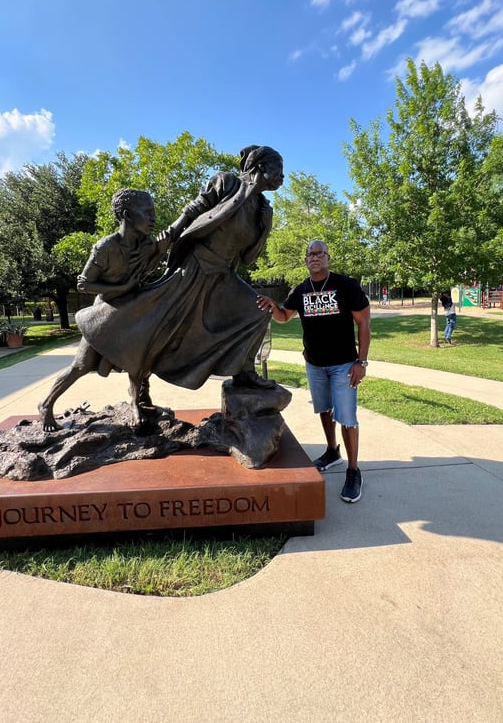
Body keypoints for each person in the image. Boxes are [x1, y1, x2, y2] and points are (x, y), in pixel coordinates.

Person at [77, 145, 284, 393]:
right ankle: (138, 381)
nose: (283, 176)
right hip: (195, 267)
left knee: (258, 312)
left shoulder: (263, 209)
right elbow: (194, 209)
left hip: (223, 275)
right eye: (279, 169)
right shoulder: (227, 183)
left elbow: (249, 258)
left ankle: (245, 373)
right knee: (162, 328)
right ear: (261, 166)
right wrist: (167, 239)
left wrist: (266, 226)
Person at [38, 189, 170, 431]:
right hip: (105, 315)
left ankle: (137, 402)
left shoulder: (146, 244)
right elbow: (83, 284)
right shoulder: (106, 247)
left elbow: (157, 254)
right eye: (147, 213)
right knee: (81, 366)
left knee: (140, 359)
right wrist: (123, 286)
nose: (153, 219)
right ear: (128, 215)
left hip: (133, 310)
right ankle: (46, 405)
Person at [257, 240, 370, 503]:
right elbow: (284, 316)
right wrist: (272, 306)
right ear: (306, 260)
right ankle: (332, 451)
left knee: (348, 418)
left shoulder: (345, 286)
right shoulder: (301, 290)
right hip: (314, 363)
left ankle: (353, 471)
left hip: (344, 364)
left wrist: (361, 362)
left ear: (327, 258)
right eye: (310, 254)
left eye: (320, 253)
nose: (315, 257)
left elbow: (364, 323)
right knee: (324, 410)